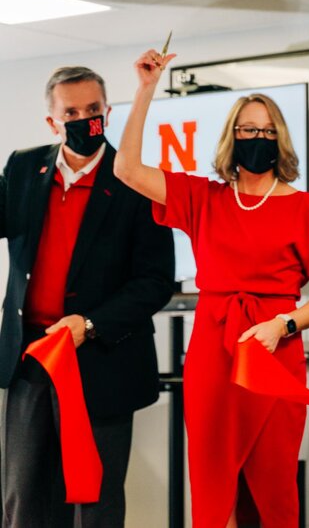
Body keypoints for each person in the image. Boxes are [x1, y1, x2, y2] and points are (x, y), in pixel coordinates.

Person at [114, 49, 309, 528]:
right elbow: (127, 169)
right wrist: (145, 90)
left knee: (273, 483)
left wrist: (281, 325)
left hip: (275, 352)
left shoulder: (306, 209)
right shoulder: (205, 198)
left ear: (279, 139)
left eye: (266, 131)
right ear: (232, 138)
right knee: (212, 478)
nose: (257, 138)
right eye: (247, 130)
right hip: (213, 353)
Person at [0, 66, 175, 527]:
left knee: (94, 503)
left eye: (93, 110)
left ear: (108, 112)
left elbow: (156, 280)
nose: (85, 120)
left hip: (101, 359)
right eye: (72, 112)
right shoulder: (22, 167)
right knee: (24, 498)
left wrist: (89, 323)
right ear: (51, 122)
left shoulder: (138, 181)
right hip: (31, 358)